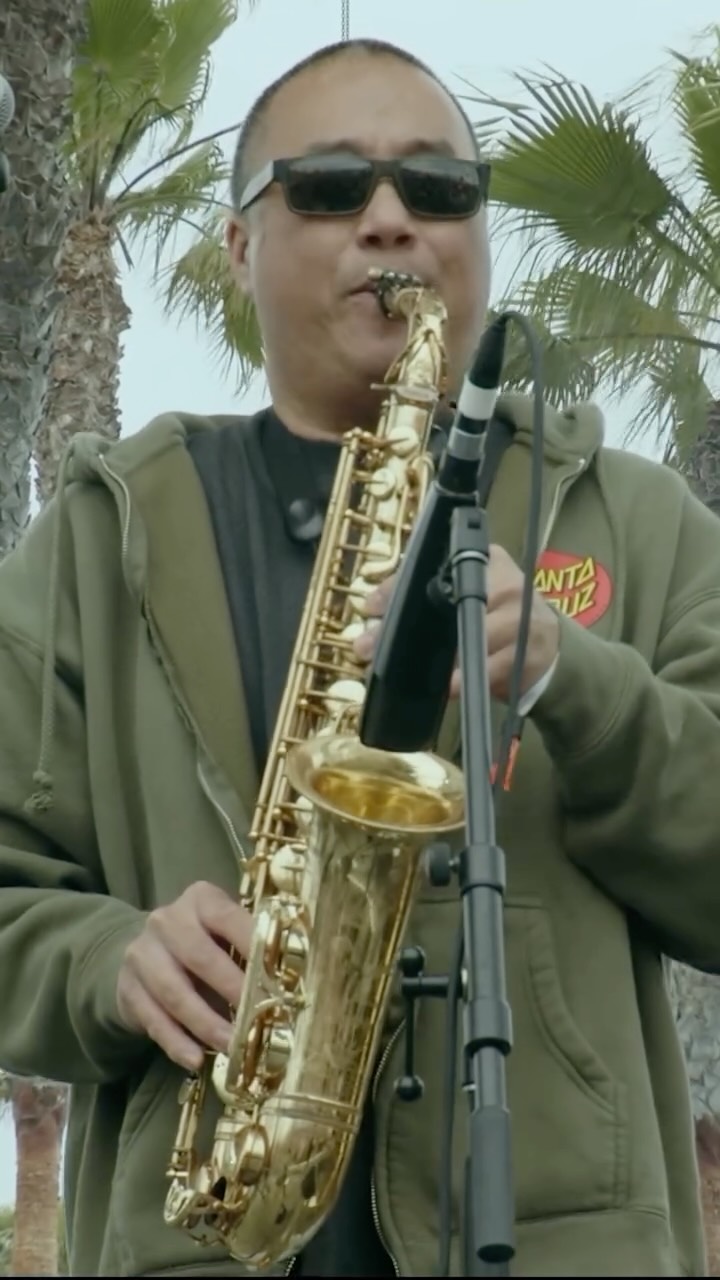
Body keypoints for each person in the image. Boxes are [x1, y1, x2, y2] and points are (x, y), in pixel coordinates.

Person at [0, 34, 719, 1280]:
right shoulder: (97, 537)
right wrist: (103, 959)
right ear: (238, 241)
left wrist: (574, 679)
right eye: (330, 186)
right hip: (211, 1232)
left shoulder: (638, 522)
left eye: (439, 190)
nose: (390, 221)